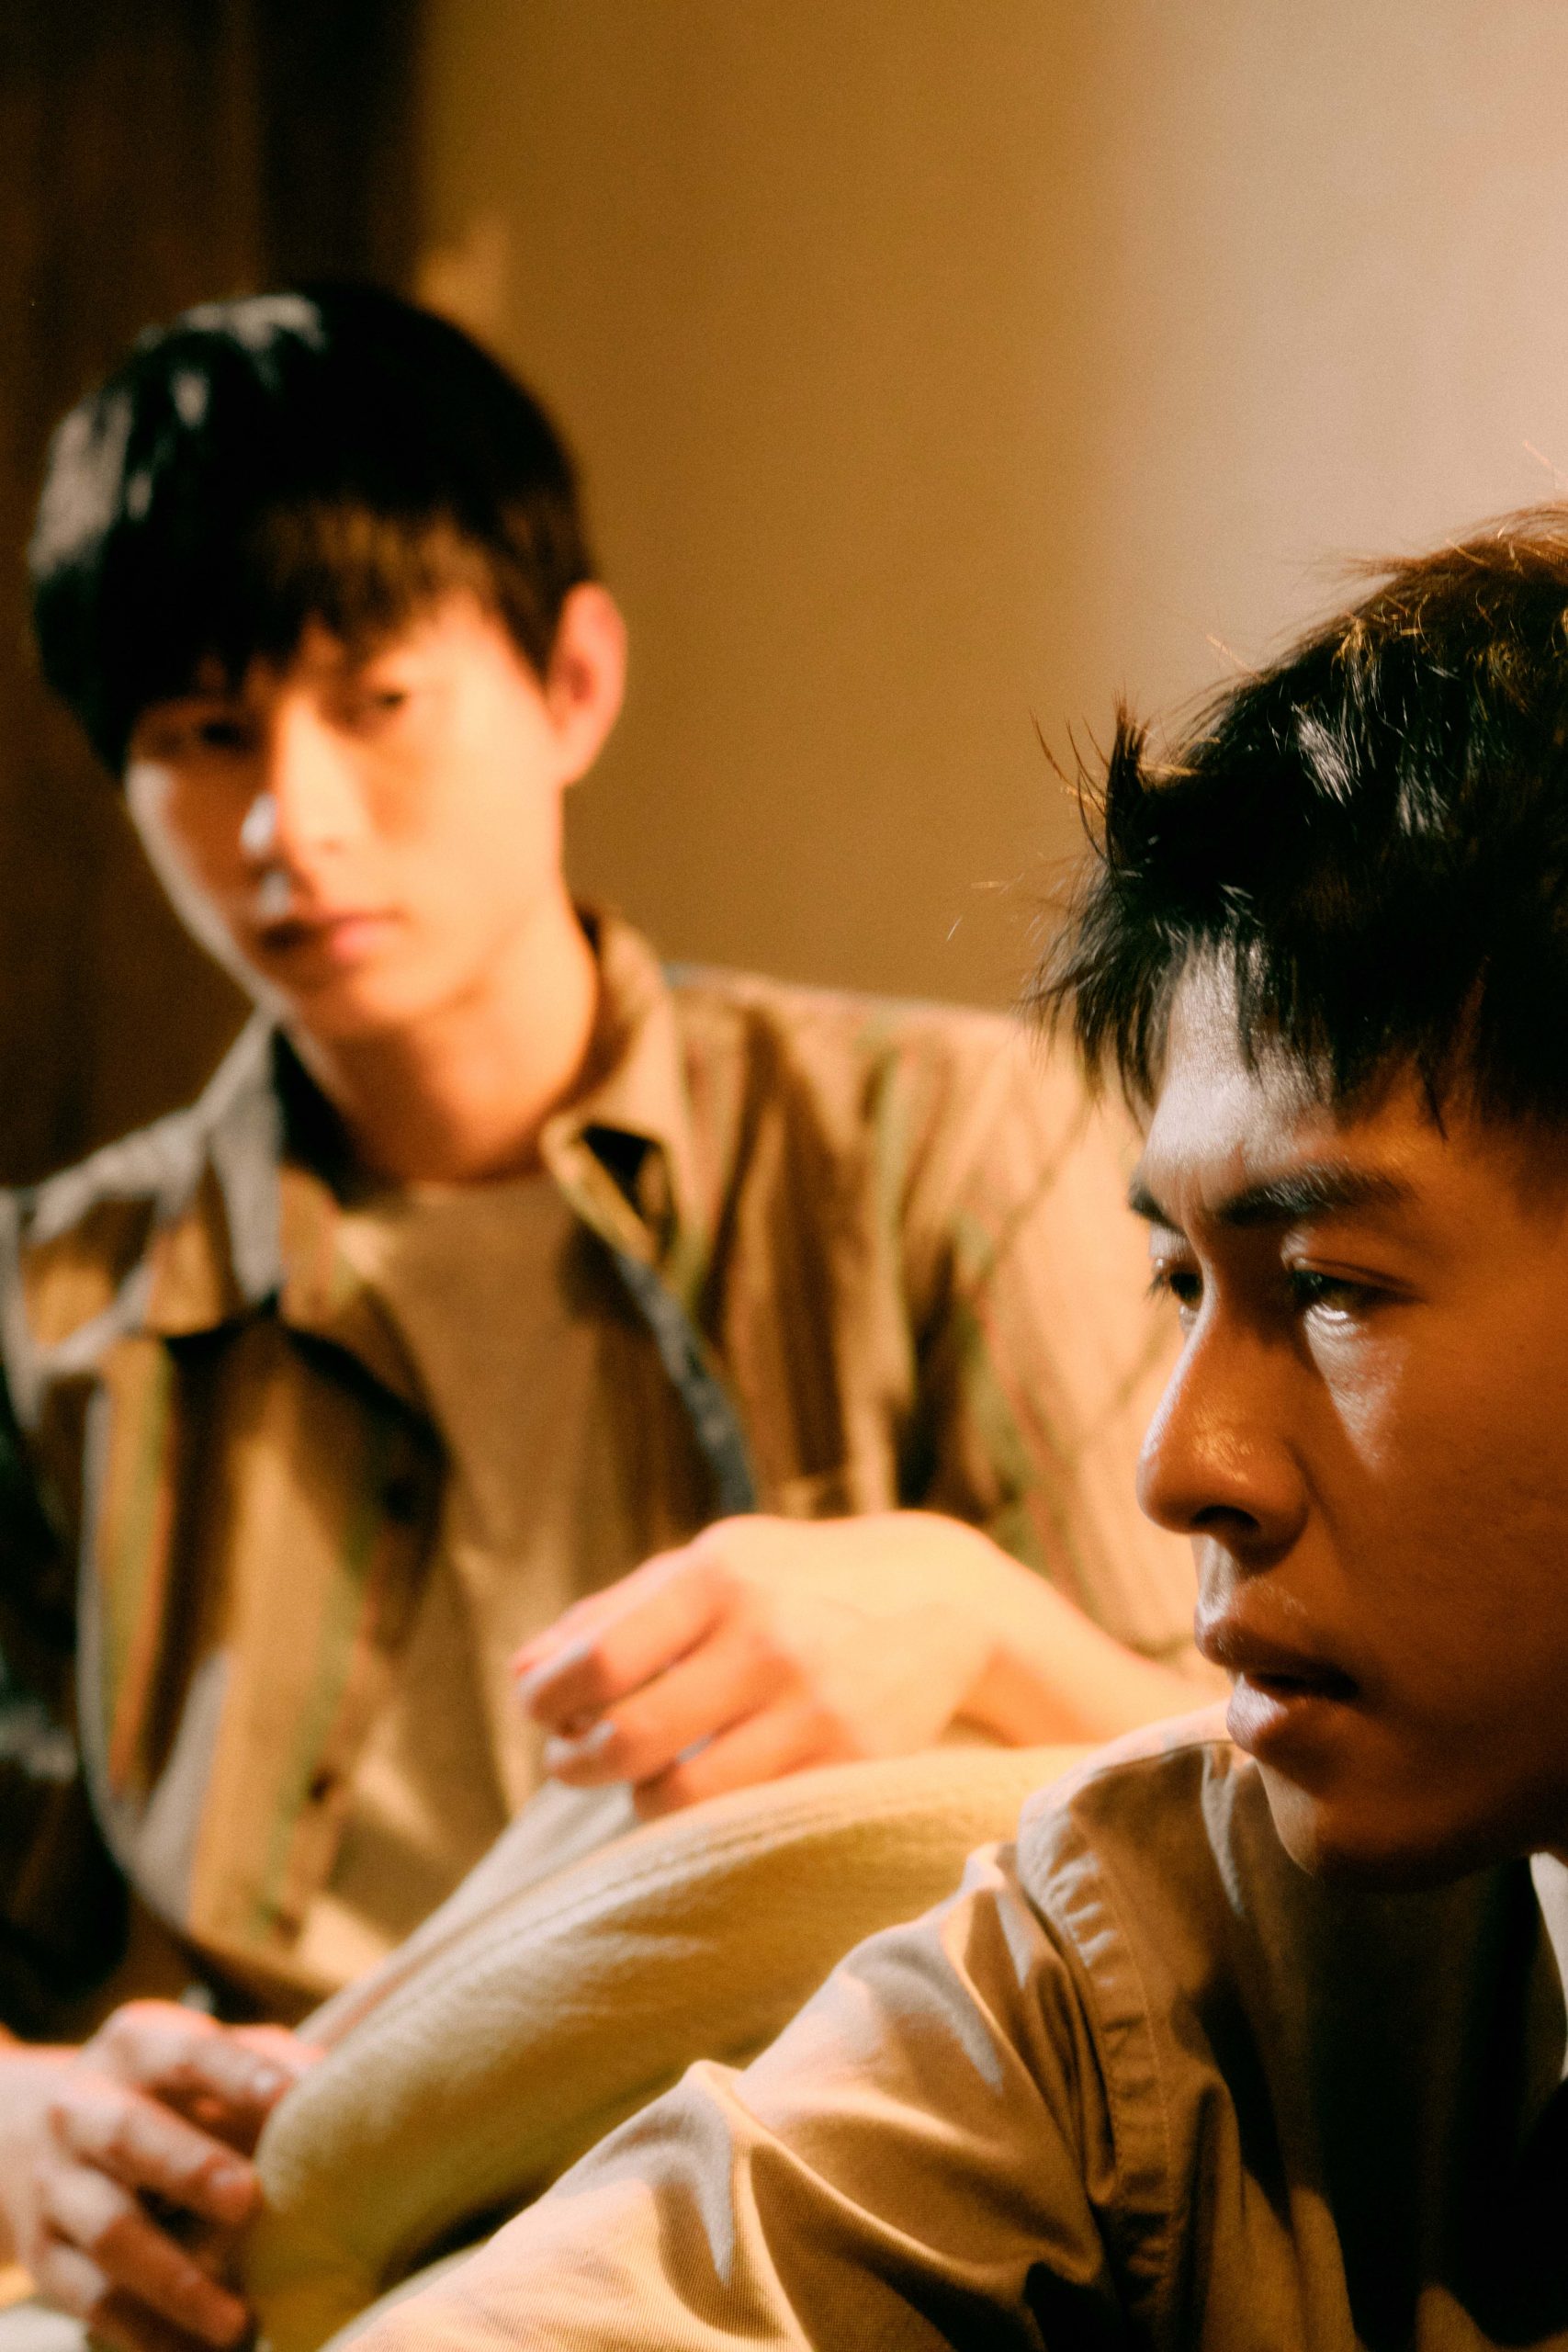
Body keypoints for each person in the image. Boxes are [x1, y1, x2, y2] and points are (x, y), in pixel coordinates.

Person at [0, 287, 1201, 2350]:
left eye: (374, 699)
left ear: (571, 681)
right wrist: (30, 2117)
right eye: (202, 737)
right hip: (285, 2239)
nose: (292, 822)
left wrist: (970, 1614)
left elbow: (1241, 1814)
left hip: (810, 2185)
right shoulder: (57, 1309)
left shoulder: (934, 1145)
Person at [341, 505, 1568, 2351]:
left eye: (1327, 1284)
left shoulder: (904, 1137)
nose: (1179, 1464)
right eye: (1179, 1283)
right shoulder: (1153, 1956)